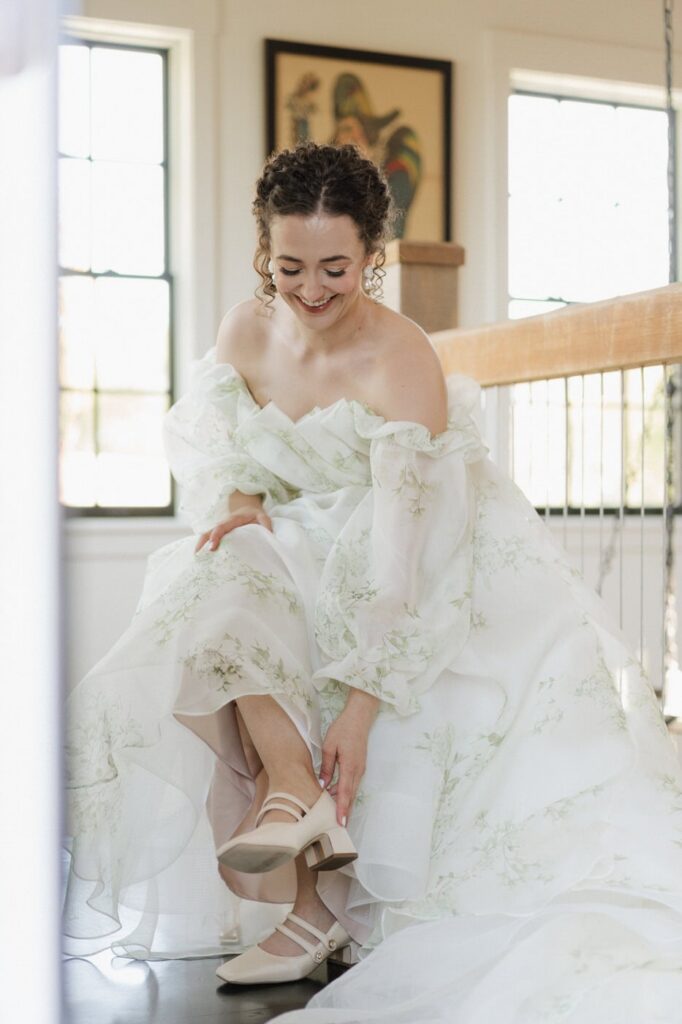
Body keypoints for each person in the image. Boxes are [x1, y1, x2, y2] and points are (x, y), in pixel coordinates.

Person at [63, 142, 682, 1021]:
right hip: (292, 540)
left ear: (372, 258)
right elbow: (232, 459)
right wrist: (243, 499)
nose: (310, 291)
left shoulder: (402, 359)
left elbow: (403, 557)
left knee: (285, 613)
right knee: (212, 573)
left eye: (336, 269)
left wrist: (362, 699)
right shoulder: (244, 329)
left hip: (414, 551)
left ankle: (315, 885)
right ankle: (294, 804)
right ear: (261, 256)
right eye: (289, 268)